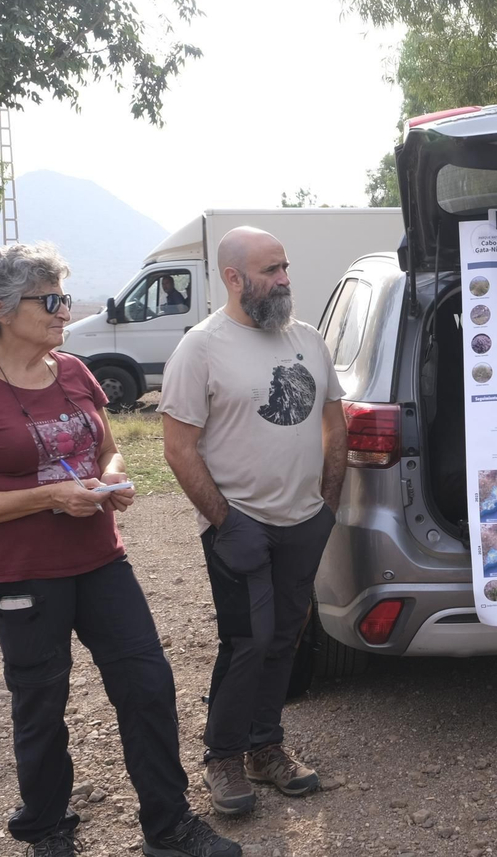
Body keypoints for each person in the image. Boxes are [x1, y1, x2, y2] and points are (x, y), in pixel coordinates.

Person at [0, 244, 239, 857]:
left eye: (64, 298)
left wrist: (113, 480)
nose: (64, 310)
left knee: (148, 685)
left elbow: (107, 450)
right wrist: (49, 496)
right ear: (1, 309)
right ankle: (46, 830)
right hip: (20, 575)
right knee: (41, 703)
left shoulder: (73, 371)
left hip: (100, 561)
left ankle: (170, 827)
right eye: (50, 300)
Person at [160, 226, 346, 816]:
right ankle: (223, 756)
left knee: (287, 634)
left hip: (304, 520)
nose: (285, 279)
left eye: (285, 267)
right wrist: (224, 521)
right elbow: (178, 448)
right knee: (248, 639)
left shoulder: (308, 340)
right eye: (271, 270)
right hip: (241, 523)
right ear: (234, 278)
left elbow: (334, 424)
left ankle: (266, 747)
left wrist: (328, 505)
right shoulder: (201, 347)